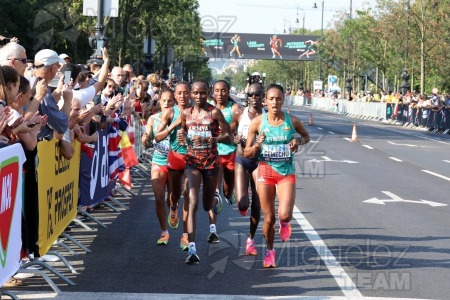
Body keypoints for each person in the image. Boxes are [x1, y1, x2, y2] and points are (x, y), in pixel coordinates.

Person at [244, 84, 310, 268]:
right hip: (265, 171)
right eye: (271, 99)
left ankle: (285, 223)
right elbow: (246, 152)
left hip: (286, 173)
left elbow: (307, 136)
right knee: (269, 217)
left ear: (283, 100)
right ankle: (270, 253)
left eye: (278, 99)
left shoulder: (292, 121)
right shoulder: (258, 122)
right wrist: (257, 145)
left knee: (285, 214)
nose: (274, 102)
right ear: (265, 100)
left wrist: (298, 141)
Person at [179, 80, 232, 264]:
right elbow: (184, 133)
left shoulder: (214, 112)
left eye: (202, 93)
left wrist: (215, 139)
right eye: (195, 93)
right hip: (192, 162)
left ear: (208, 93)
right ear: (191, 94)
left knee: (206, 205)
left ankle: (216, 198)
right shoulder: (186, 113)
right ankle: (192, 249)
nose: (199, 97)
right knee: (192, 201)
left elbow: (229, 136)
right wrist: (182, 136)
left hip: (210, 164)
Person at [154, 82, 192, 251]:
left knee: (189, 196)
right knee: (174, 196)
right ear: (175, 96)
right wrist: (174, 125)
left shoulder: (199, 112)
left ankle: (185, 236)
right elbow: (157, 137)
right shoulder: (170, 112)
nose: (183, 96)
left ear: (190, 94)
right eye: (179, 93)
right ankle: (174, 207)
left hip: (193, 158)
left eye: (186, 93)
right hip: (174, 157)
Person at [235, 83, 265, 256]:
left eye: (258, 94)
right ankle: (241, 191)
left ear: (262, 97)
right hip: (242, 160)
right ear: (247, 97)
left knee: (256, 204)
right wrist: (235, 137)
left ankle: (251, 240)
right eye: (251, 95)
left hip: (260, 162)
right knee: (243, 203)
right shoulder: (240, 113)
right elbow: (228, 131)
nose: (254, 97)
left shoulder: (268, 117)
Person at [142, 89, 174, 245]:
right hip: (159, 161)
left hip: (175, 164)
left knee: (172, 199)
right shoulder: (153, 119)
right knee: (159, 198)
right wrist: (145, 139)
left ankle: (173, 210)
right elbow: (148, 140)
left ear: (174, 103)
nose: (167, 104)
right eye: (164, 101)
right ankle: (164, 231)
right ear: (159, 102)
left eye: (170, 101)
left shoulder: (179, 118)